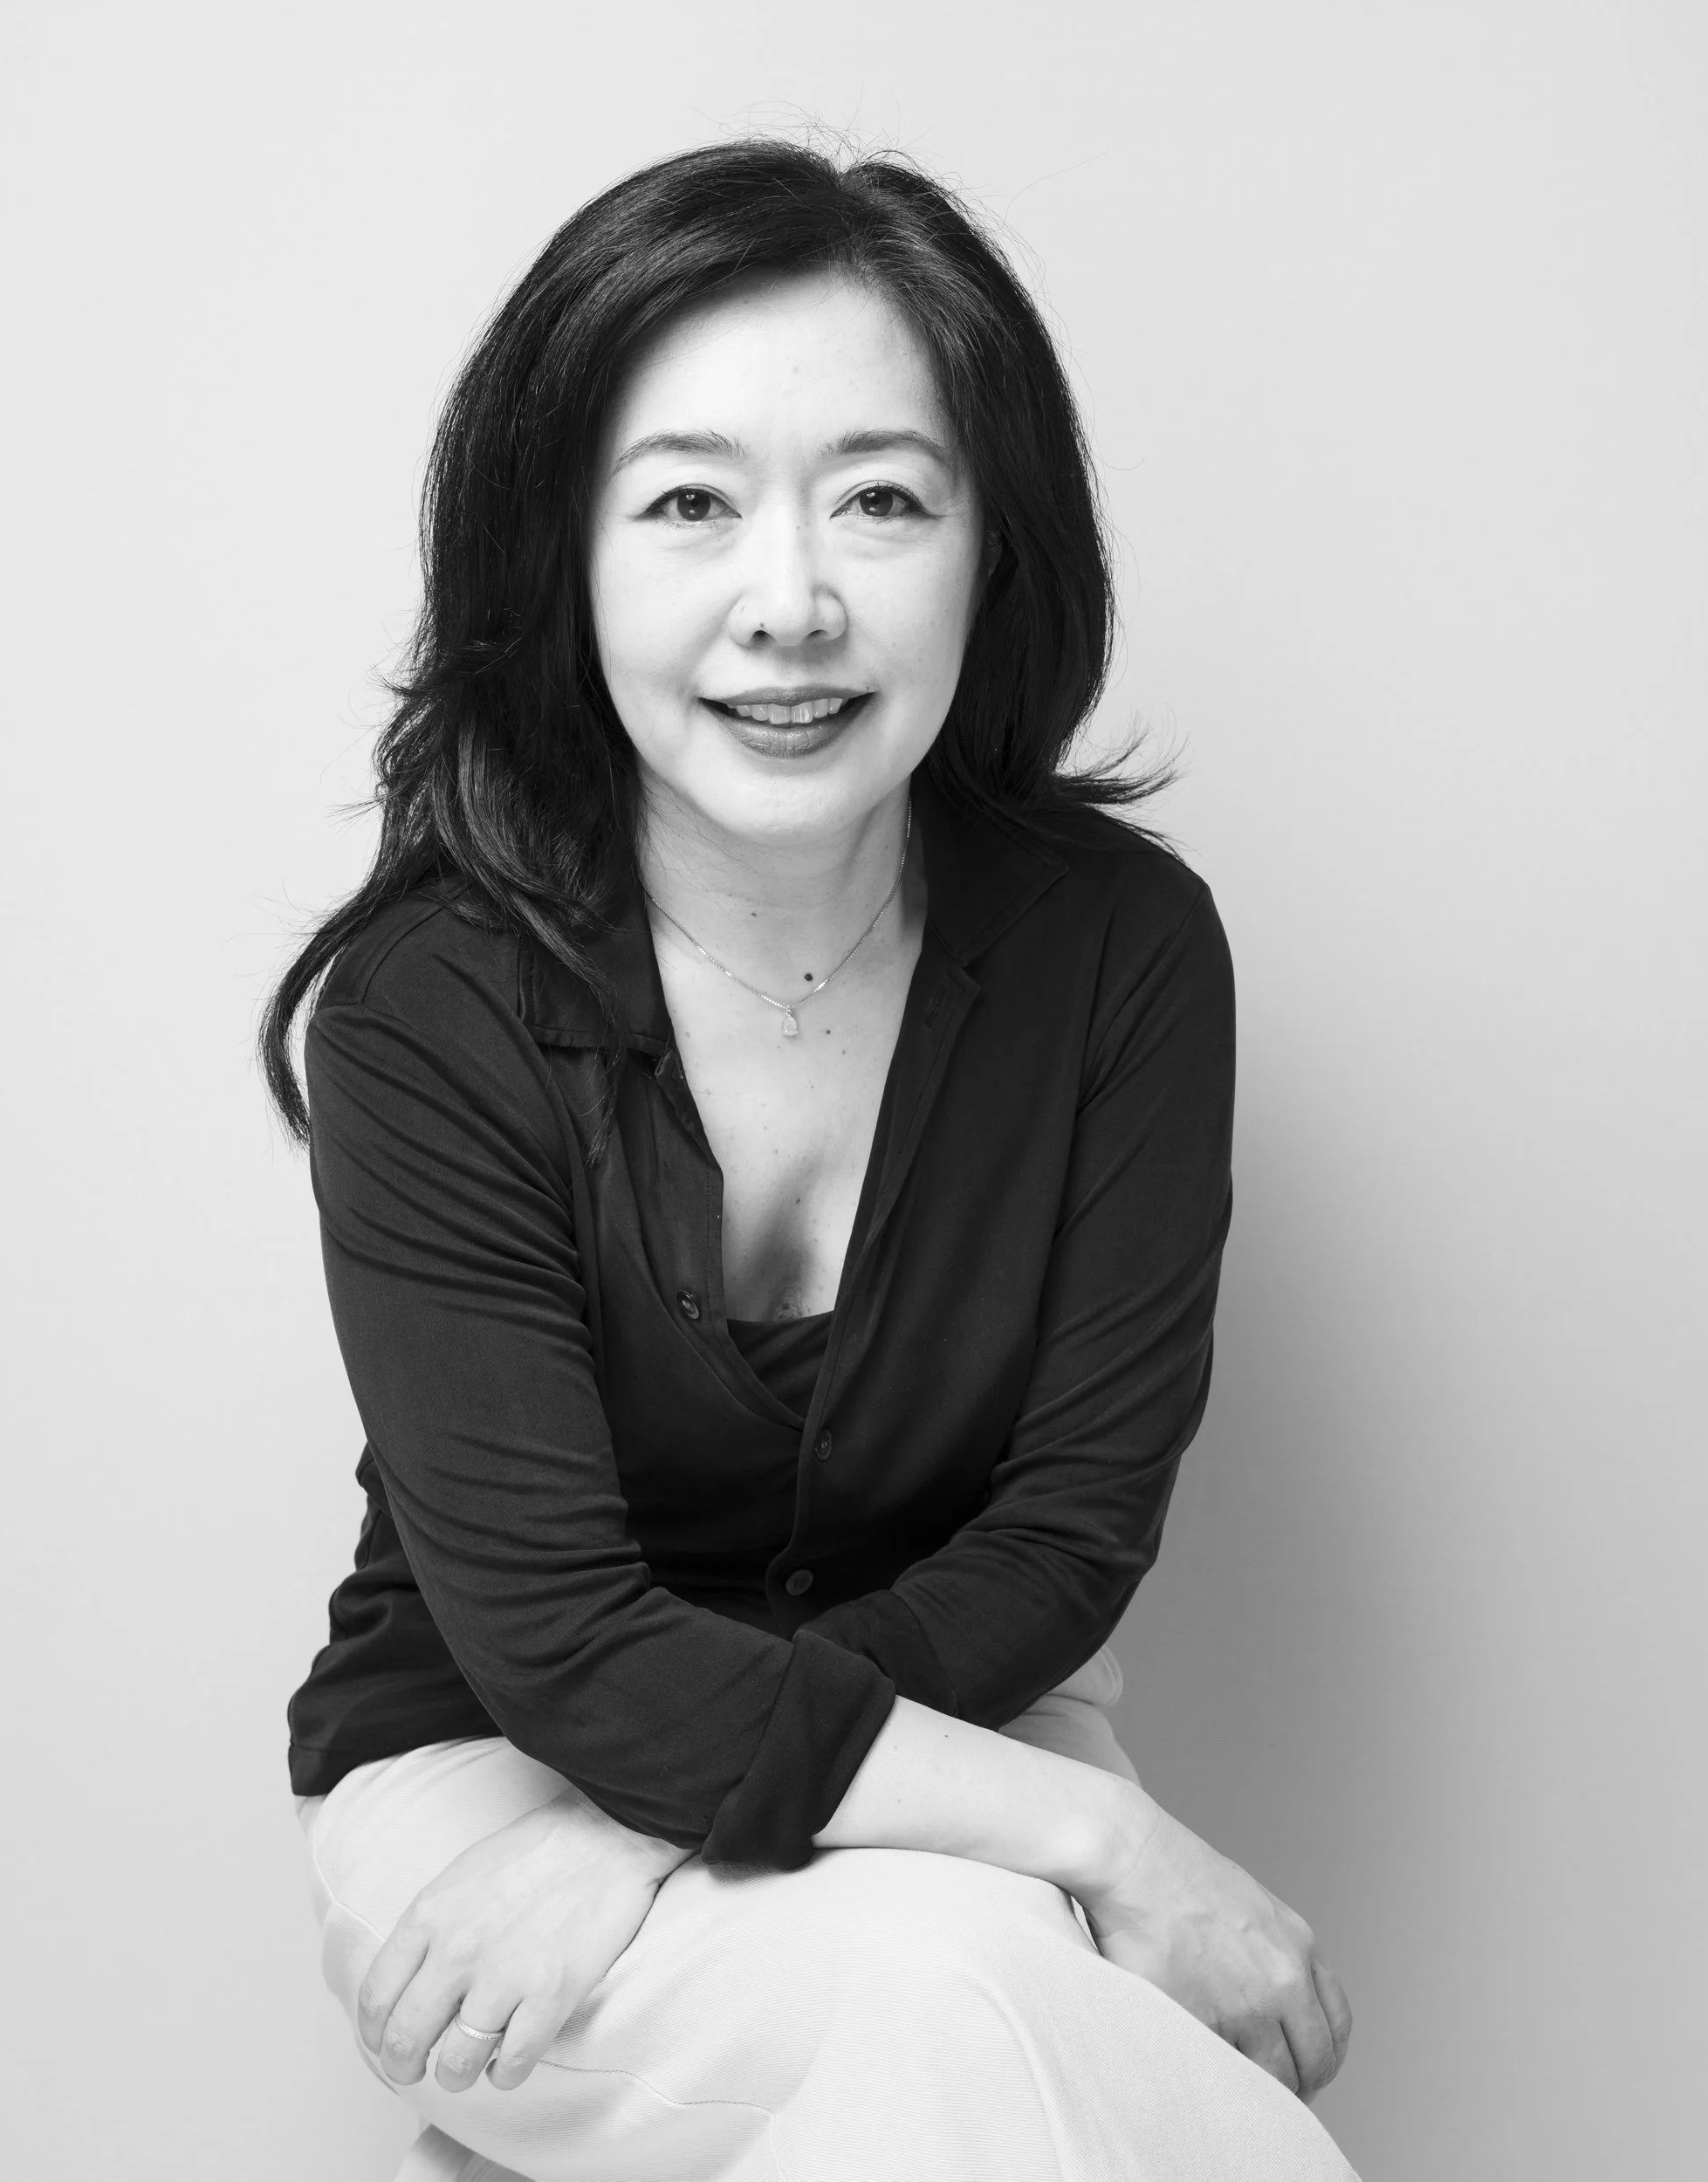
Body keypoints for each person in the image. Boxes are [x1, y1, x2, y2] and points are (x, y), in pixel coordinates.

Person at [262, 138, 1359, 2182]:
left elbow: (1060, 1543)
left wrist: (655, 1829)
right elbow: (564, 1644)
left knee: (950, 2022)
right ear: (561, 558)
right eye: (688, 504)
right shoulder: (429, 1007)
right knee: (965, 1996)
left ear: (993, 549)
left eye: (881, 498)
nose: (791, 602)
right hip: (499, 1770)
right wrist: (1106, 1835)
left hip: (959, 1730)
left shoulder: (1118, 951)